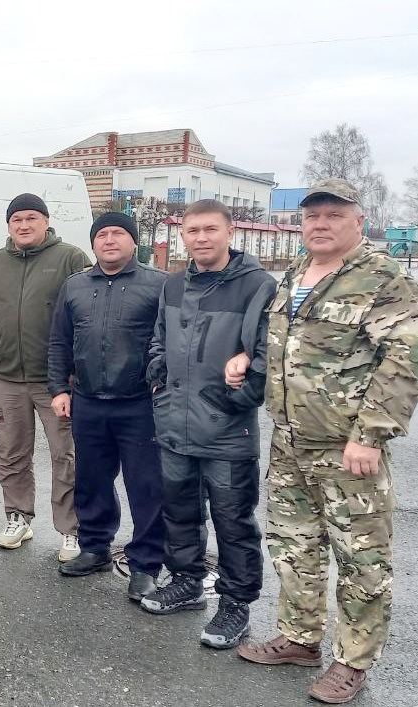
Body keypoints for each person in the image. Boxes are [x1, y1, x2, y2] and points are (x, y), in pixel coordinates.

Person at [234, 179, 418, 704]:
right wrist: (248, 359)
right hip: (289, 440)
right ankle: (298, 638)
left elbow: (405, 359)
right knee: (294, 546)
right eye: (311, 215)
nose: (319, 223)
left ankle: (352, 661)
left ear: (358, 221)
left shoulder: (380, 278)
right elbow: (287, 346)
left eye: (334, 215)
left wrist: (370, 435)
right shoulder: (294, 274)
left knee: (361, 557)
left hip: (347, 448)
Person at [140, 199, 276, 650]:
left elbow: (267, 354)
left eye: (210, 229)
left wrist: (235, 398)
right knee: (178, 508)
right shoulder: (174, 284)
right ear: (182, 235)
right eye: (192, 230)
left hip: (226, 428)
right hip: (174, 424)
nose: (201, 238)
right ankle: (186, 581)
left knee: (232, 519)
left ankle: (235, 604)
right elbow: (158, 339)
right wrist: (158, 381)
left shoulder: (256, 285)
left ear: (229, 231)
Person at [0, 193, 90, 560]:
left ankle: (72, 530)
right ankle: (18, 517)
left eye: (31, 218)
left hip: (56, 383)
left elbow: (86, 316)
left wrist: (76, 374)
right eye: (16, 219)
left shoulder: (70, 258)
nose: (24, 225)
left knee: (66, 456)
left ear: (46, 222)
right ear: (8, 226)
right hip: (6, 378)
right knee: (12, 454)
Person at [47, 212, 166, 601]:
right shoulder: (76, 286)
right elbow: (60, 342)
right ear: (94, 243)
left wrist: (158, 382)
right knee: (91, 480)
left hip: (139, 405)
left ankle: (146, 564)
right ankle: (96, 547)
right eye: (102, 234)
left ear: (134, 242)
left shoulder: (157, 285)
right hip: (87, 401)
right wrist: (58, 389)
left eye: (118, 234)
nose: (109, 240)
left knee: (146, 486)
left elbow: (166, 342)